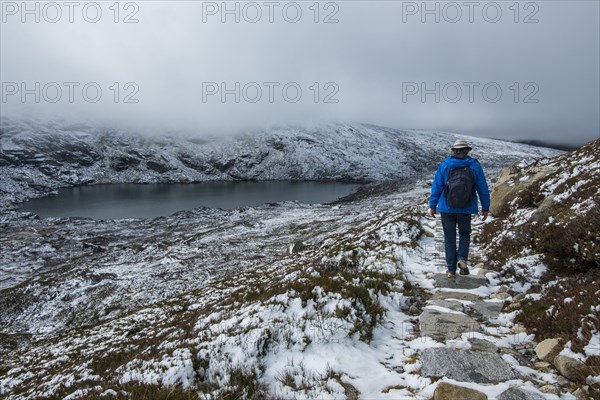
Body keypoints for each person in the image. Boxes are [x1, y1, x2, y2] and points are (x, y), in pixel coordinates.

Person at [429, 140, 490, 278]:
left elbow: (437, 186)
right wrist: (485, 208)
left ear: (454, 151)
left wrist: (432, 205)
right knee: (464, 234)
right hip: (466, 207)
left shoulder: (445, 165)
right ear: (467, 151)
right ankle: (462, 258)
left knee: (449, 238)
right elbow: (483, 188)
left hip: (446, 207)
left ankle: (451, 270)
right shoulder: (474, 165)